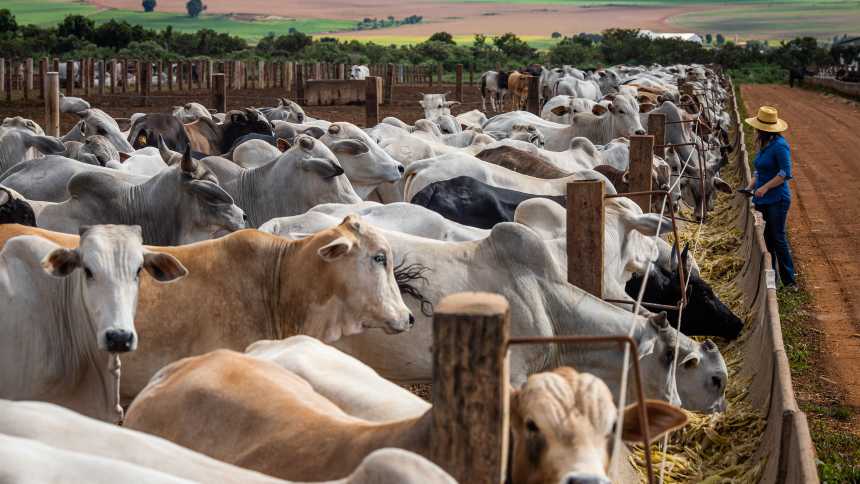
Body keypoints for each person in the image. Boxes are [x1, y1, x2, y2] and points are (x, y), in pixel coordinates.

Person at [745, 106, 797, 288]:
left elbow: (784, 173)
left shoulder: (780, 147)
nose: (756, 130)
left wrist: (765, 188)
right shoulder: (765, 145)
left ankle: (790, 281)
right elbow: (760, 170)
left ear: (764, 130)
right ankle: (772, 279)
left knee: (777, 237)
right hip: (763, 200)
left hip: (777, 199)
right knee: (767, 238)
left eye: (758, 128)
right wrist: (750, 187)